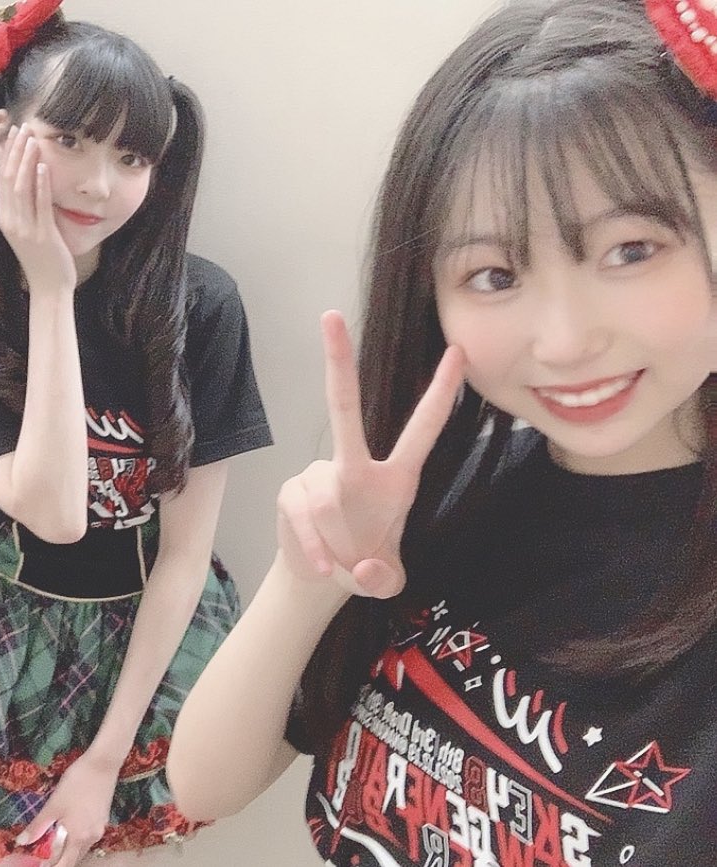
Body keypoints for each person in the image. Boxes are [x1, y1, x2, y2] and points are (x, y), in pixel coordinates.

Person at [167, 0, 717, 864]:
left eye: (632, 250)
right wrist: (306, 583)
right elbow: (204, 786)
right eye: (494, 273)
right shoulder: (446, 484)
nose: (564, 340)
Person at [0, 1, 271, 864]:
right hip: (5, 633)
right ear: (3, 136)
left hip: (156, 628)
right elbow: (53, 514)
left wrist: (105, 757)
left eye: (132, 158)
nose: (98, 184)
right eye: (71, 140)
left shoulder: (201, 306)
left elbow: (185, 552)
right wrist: (51, 292)